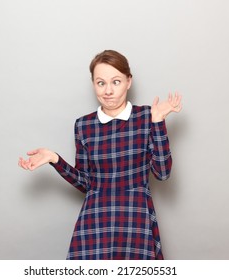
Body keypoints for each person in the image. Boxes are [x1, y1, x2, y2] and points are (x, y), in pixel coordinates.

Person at [18, 50, 182, 260]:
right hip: (96, 220)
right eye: (101, 83)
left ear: (128, 81)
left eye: (116, 81)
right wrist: (54, 159)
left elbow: (163, 173)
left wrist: (158, 122)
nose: (108, 91)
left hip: (135, 218)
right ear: (93, 84)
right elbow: (86, 183)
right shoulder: (83, 125)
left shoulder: (146, 117)